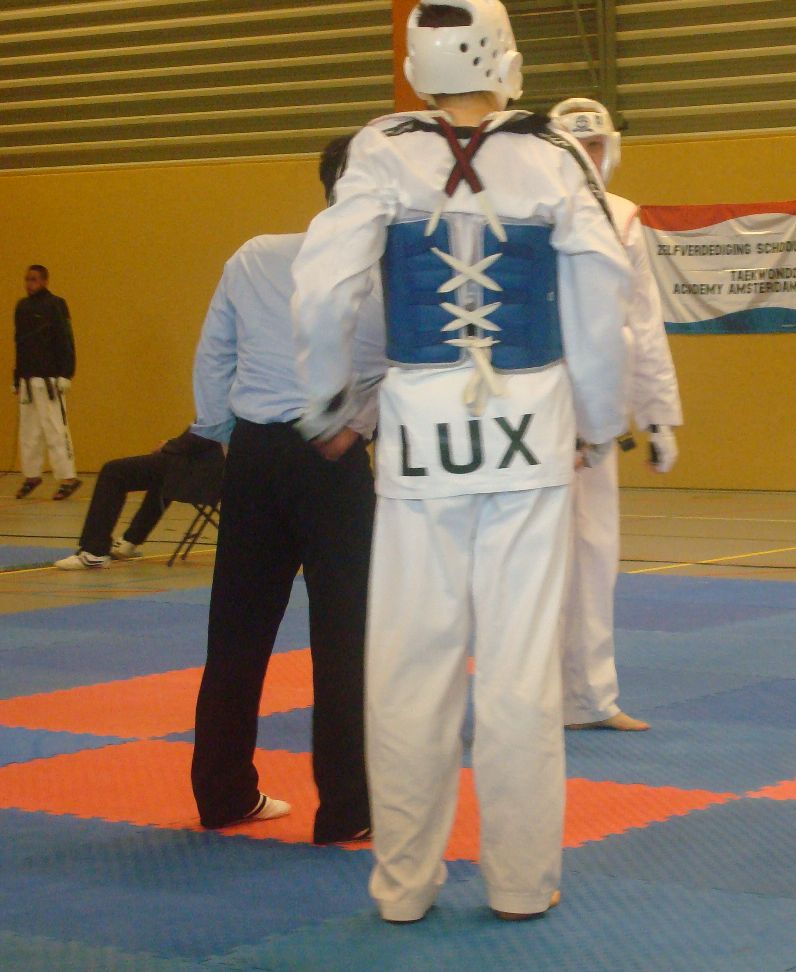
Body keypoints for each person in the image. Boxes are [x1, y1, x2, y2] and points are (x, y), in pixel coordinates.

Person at [291, 0, 630, 924]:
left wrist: (325, 398)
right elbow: (600, 293)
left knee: (411, 665)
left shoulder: (381, 148)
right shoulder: (552, 153)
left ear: (416, 63)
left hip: (420, 425)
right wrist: (600, 420)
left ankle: (403, 885)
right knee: (520, 672)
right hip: (531, 422)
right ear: (507, 58)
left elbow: (323, 286)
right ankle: (519, 882)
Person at [189, 135, 386, 846]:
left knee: (235, 633)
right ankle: (347, 808)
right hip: (331, 461)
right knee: (345, 638)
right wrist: (356, 426)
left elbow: (214, 356)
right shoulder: (389, 275)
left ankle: (222, 793)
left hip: (255, 454)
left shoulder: (255, 256)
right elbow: (399, 371)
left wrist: (222, 431)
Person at [550, 97, 683, 733]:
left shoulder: (624, 218)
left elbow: (645, 326)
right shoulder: (523, 210)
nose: (587, 156)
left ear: (612, 151)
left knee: (596, 553)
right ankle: (526, 698)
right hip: (535, 403)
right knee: (530, 561)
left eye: (596, 145)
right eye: (575, 145)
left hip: (600, 406)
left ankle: (590, 698)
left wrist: (658, 418)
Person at [53, 429, 222, 569]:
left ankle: (94, 551)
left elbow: (207, 431)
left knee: (113, 472)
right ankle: (130, 541)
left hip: (204, 472)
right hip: (215, 471)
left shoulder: (220, 398)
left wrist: (170, 445)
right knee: (163, 474)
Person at [13, 265, 80, 500]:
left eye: (33, 279)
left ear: (44, 281)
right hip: (28, 379)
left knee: (55, 429)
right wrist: (17, 377)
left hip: (50, 379)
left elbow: (65, 339)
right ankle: (32, 475)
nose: (29, 284)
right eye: (27, 279)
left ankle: (68, 477)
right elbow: (20, 344)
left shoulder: (55, 305)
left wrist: (66, 373)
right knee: (29, 432)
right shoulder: (22, 307)